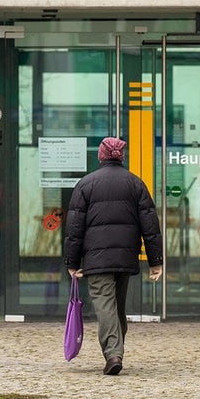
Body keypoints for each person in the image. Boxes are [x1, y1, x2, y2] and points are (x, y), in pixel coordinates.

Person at [63, 136, 163, 375]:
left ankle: (113, 354)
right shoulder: (136, 184)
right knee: (116, 307)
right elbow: (150, 226)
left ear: (100, 156)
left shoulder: (85, 184)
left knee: (106, 306)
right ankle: (116, 350)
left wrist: (72, 262)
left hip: (96, 259)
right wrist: (155, 261)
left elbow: (74, 229)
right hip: (125, 258)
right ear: (121, 157)